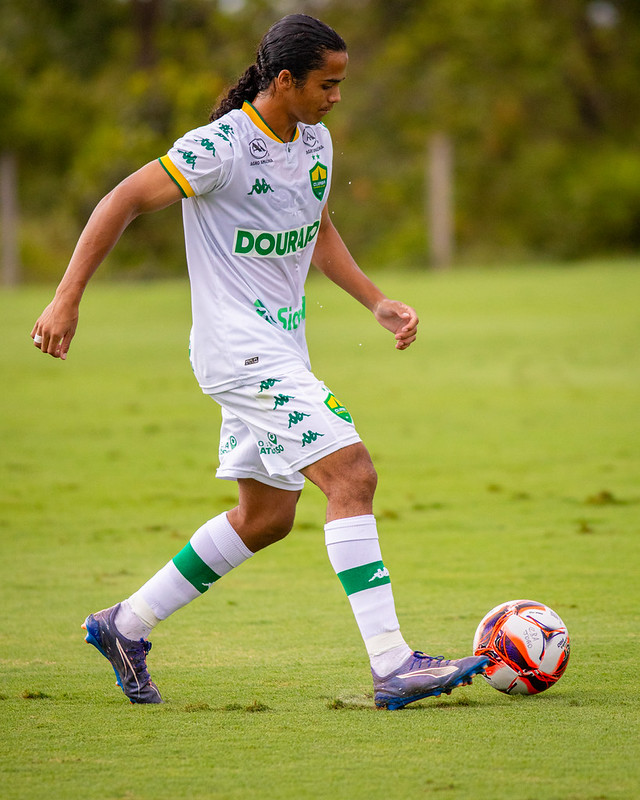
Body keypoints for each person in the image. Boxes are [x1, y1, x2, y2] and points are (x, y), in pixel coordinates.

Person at [31, 14, 487, 710]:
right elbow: (121, 200)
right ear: (285, 80)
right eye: (326, 84)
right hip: (239, 351)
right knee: (352, 474)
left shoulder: (315, 142)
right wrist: (66, 299)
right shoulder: (218, 148)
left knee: (268, 515)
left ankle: (124, 625)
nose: (337, 97)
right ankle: (393, 665)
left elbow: (318, 229)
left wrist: (375, 301)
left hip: (279, 346)